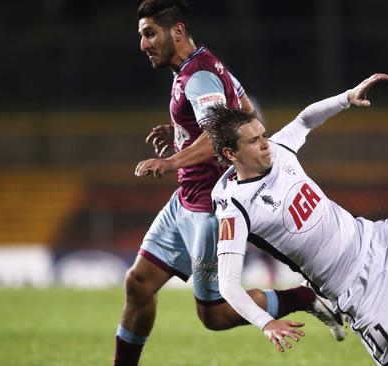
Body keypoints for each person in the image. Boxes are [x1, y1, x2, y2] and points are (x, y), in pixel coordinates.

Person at [114, 1, 346, 365]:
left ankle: (300, 298)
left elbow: (215, 137)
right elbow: (243, 112)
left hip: (208, 211)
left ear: (176, 31)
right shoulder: (199, 66)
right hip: (183, 203)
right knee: (138, 284)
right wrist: (180, 133)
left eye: (149, 34)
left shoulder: (200, 76)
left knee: (215, 316)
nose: (143, 44)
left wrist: (172, 160)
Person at [207, 73, 388, 366]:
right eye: (254, 141)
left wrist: (346, 98)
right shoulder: (234, 206)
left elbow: (304, 120)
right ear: (230, 153)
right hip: (355, 289)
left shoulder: (278, 150)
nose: (265, 144)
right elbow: (228, 284)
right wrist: (265, 322)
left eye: (263, 134)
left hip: (377, 239)